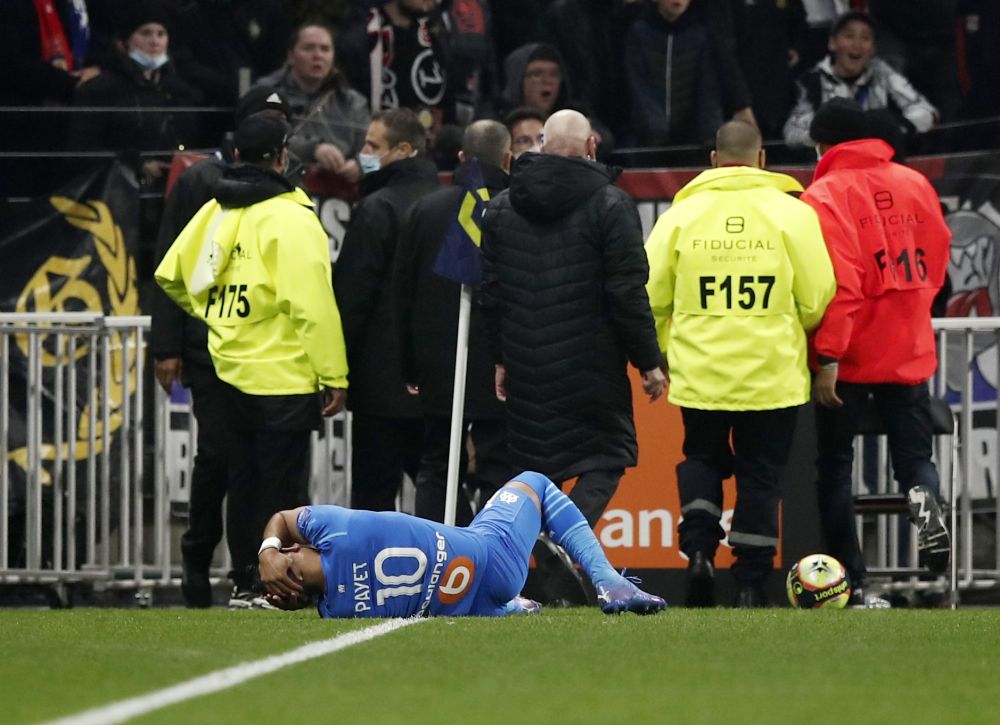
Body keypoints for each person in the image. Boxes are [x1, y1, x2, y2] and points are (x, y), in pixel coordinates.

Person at [155, 112, 349, 607]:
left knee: (241, 482)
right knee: (281, 492)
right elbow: (311, 305)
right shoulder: (292, 216)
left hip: (228, 367)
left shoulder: (216, 210)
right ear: (283, 156)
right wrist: (334, 373)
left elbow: (172, 276)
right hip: (284, 372)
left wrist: (218, 316)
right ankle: (277, 585)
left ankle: (246, 580)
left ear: (237, 154)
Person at [645, 120, 836, 607]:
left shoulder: (680, 216)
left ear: (713, 160)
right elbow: (817, 295)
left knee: (701, 459)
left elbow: (651, 296)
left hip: (701, 371)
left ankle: (699, 554)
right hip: (773, 373)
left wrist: (668, 348)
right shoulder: (793, 215)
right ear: (763, 159)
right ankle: (751, 581)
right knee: (761, 475)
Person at [480, 109, 666, 560]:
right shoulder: (611, 204)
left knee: (537, 474)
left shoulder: (500, 207)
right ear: (592, 146)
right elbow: (627, 291)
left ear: (542, 145)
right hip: (592, 367)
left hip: (526, 363)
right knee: (608, 457)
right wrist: (648, 361)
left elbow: (491, 294)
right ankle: (556, 549)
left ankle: (536, 554)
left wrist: (501, 358)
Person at [800, 98, 953, 605]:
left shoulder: (825, 194)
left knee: (835, 467)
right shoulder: (914, 182)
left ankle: (851, 577)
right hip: (908, 346)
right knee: (915, 459)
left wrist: (828, 357)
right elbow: (939, 254)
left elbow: (843, 285)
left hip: (851, 354)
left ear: (824, 145)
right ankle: (925, 496)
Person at [150, 86, 292, 608]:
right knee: (218, 456)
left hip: (264, 348)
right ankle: (199, 554)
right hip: (207, 345)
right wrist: (167, 344)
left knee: (250, 462)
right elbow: (170, 259)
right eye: (267, 118)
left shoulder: (286, 185)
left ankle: (248, 571)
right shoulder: (199, 182)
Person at [256, 470, 667, 617]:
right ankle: (609, 581)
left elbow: (320, 585)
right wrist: (267, 549)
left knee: (448, 592)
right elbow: (284, 519)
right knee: (535, 483)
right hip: (490, 554)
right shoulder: (334, 531)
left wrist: (293, 588)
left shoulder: (337, 610)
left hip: (476, 599)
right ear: (291, 550)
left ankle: (513, 607)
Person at [393, 120, 514, 524]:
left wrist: (409, 363)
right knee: (499, 469)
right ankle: (494, 555)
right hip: (502, 362)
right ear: (508, 159)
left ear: (462, 157)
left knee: (437, 468)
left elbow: (402, 293)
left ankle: (441, 555)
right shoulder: (519, 211)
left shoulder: (424, 210)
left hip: (438, 361)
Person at [332, 108, 439, 512]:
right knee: (439, 495)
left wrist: (335, 370)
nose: (363, 153)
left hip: (380, 386)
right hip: (436, 384)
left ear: (404, 150)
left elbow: (351, 297)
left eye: (372, 145)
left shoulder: (377, 208)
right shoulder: (447, 205)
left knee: (373, 501)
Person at [783, 11, 938, 149]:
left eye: (865, 38)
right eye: (849, 36)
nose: (857, 45)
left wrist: (891, 128)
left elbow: (928, 113)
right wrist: (834, 135)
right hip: (833, 163)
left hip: (877, 161)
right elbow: (793, 133)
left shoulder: (883, 74)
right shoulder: (811, 82)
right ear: (832, 43)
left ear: (873, 48)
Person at [255, 22, 370, 185]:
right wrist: (313, 149)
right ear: (291, 56)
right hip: (280, 186)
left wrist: (362, 166)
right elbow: (259, 140)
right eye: (308, 48)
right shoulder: (266, 93)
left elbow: (379, 155)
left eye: (325, 49)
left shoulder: (353, 102)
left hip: (339, 193)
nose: (318, 56)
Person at [621, 0, 725, 146]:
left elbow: (708, 87)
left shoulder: (699, 34)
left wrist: (711, 130)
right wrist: (654, 123)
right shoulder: (639, 32)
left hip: (690, 135)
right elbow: (636, 84)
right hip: (645, 135)